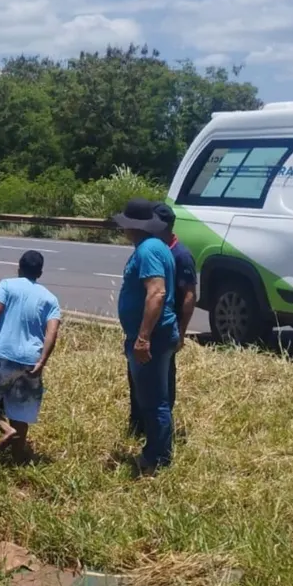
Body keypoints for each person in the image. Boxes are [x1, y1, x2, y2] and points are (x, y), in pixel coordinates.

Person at [0, 251, 61, 462]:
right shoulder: (50, 299)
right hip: (31, 361)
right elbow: (52, 333)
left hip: (3, 354)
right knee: (20, 410)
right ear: (40, 273)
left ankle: (5, 429)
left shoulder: (7, 285)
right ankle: (17, 458)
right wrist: (42, 360)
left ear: (19, 268)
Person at [112, 198, 180, 474]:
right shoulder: (154, 247)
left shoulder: (149, 250)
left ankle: (156, 457)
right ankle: (158, 450)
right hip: (153, 334)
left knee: (153, 400)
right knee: (153, 398)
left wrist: (142, 338)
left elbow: (157, 292)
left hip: (154, 336)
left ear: (132, 226)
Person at [150, 202, 197, 424]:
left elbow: (189, 296)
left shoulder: (180, 255)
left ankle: (163, 425)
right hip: (150, 324)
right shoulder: (154, 250)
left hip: (168, 325)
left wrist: (182, 331)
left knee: (164, 379)